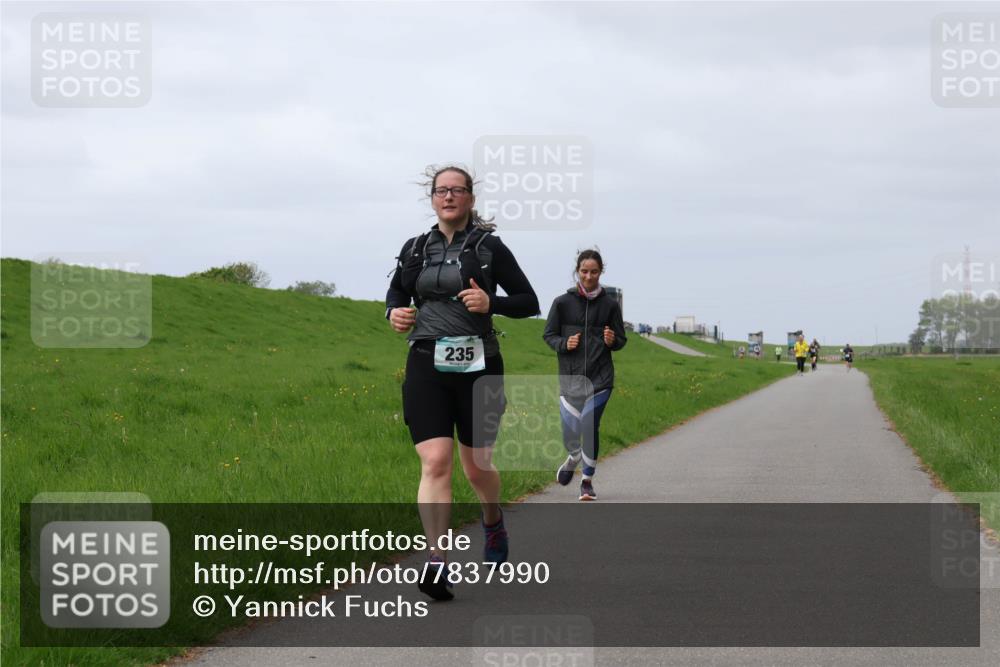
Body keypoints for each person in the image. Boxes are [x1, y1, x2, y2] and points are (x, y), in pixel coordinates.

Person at [386, 165, 539, 600]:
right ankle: (437, 563)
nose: (449, 197)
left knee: (478, 467)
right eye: (442, 190)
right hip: (426, 362)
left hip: (479, 366)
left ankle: (492, 518)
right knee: (435, 461)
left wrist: (492, 302)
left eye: (458, 190)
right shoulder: (415, 247)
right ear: (432, 198)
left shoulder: (490, 248)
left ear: (471, 199)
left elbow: (529, 302)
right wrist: (394, 312)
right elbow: (398, 292)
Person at [543, 249, 627, 501]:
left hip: (601, 379)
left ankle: (587, 481)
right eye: (584, 271)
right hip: (570, 379)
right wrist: (564, 343)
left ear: (601, 272)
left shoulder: (610, 305)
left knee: (590, 425)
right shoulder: (561, 303)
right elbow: (549, 335)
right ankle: (573, 457)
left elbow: (622, 339)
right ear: (577, 272)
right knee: (570, 434)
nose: (589, 276)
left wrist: (613, 341)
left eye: (594, 271)